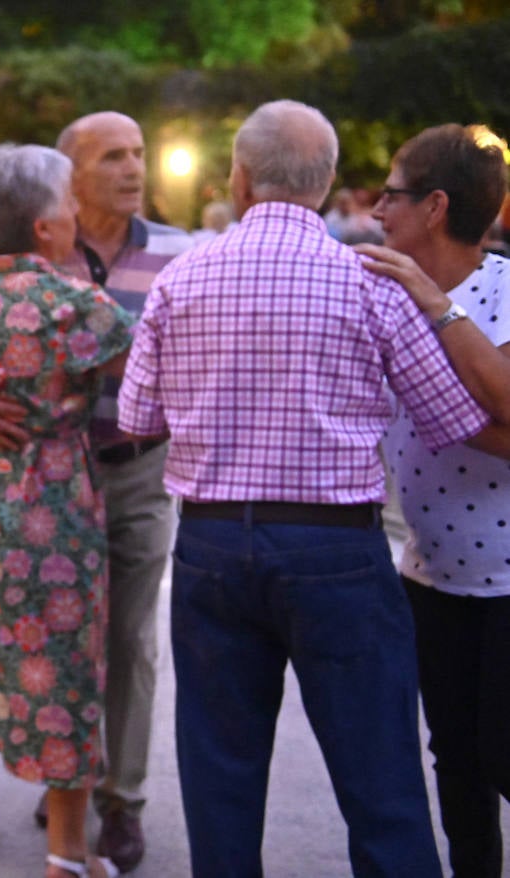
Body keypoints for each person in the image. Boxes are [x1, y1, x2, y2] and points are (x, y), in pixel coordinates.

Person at [116, 99, 510, 877]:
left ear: (239, 177)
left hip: (212, 542)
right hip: (336, 545)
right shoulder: (371, 282)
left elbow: (136, 417)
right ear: (328, 185)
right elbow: (448, 418)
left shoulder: (181, 276)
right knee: (381, 781)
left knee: (220, 781)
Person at [0, 112, 190, 870]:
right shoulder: (59, 291)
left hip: (117, 473)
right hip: (57, 490)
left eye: (139, 153)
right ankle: (70, 832)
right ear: (64, 189)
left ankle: (114, 805)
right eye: (114, 156)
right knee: (64, 663)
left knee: (120, 645)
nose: (134, 168)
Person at [353, 123, 510, 878]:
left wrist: (430, 303)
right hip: (431, 573)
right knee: (456, 762)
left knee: (505, 754)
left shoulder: (505, 293)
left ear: (437, 206)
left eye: (393, 192)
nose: (378, 209)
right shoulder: (380, 296)